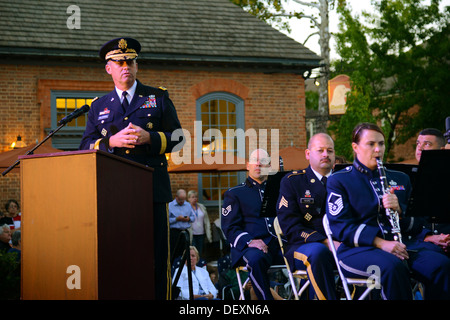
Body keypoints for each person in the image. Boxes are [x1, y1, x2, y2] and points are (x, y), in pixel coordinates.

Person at [79, 37, 184, 300]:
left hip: (152, 191)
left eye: (130, 61)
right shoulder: (98, 106)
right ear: (109, 68)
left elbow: (179, 138)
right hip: (114, 193)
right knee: (119, 256)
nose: (126, 66)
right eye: (119, 62)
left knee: (158, 258)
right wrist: (110, 142)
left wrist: (151, 138)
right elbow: (84, 146)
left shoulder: (157, 97)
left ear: (137, 66)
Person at [326, 122, 450, 300]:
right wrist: (382, 244)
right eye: (371, 144)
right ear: (355, 147)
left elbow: (416, 225)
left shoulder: (400, 178)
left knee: (441, 264)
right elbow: (341, 228)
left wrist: (399, 210)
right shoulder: (339, 181)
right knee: (393, 267)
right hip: (358, 250)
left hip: (403, 245)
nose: (378, 150)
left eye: (381, 144)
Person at [276, 133, 338, 300]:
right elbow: (290, 226)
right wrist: (325, 242)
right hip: (303, 245)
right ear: (308, 154)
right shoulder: (293, 181)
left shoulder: (344, 180)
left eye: (330, 151)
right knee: (318, 252)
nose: (326, 154)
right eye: (320, 150)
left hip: (341, 242)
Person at [221, 149, 284, 300]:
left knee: (312, 255)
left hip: (280, 246)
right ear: (247, 165)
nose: (258, 164)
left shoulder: (281, 190)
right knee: (256, 260)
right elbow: (229, 228)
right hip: (250, 248)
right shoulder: (235, 193)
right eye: (255, 160)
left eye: (263, 161)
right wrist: (250, 241)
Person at [414, 128, 450, 237]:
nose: (420, 148)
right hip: (422, 241)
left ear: (442, 150)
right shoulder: (406, 178)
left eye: (427, 144)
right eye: (418, 143)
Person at [169, 189, 196, 257]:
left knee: (185, 252)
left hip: (185, 232)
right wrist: (176, 219)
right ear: (176, 197)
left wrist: (188, 219)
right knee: (174, 252)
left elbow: (193, 217)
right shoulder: (170, 205)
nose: (182, 202)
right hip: (174, 232)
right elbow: (166, 220)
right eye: (180, 199)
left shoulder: (188, 205)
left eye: (183, 199)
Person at [187, 190, 212, 257]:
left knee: (200, 252)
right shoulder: (187, 208)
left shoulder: (201, 207)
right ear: (188, 198)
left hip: (201, 233)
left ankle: (199, 265)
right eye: (192, 197)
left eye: (196, 197)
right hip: (192, 234)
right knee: (193, 252)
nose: (195, 199)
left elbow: (206, 221)